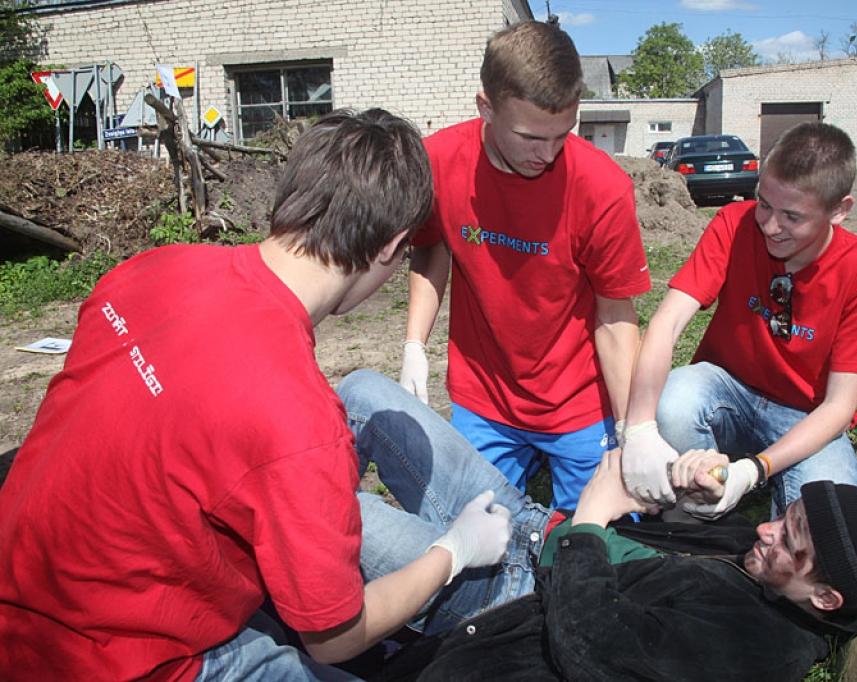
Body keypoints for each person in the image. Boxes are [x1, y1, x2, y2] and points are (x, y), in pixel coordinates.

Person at [0, 109, 513, 680]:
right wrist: (454, 552)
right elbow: (337, 636)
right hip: (124, 659)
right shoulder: (298, 420)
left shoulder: (146, 268)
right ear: (392, 247)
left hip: (20, 599)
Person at [337, 370, 857, 682]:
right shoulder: (764, 566)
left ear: (825, 598)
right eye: (781, 519)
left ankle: (310, 590)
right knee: (365, 389)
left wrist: (590, 517)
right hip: (529, 524)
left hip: (498, 590)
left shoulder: (761, 646)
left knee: (336, 518)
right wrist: (684, 500)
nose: (765, 532)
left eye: (791, 543)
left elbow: (598, 654)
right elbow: (667, 547)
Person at [399, 20, 651, 510]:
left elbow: (616, 317)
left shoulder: (601, 188)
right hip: (484, 397)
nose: (548, 153)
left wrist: (631, 429)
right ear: (486, 108)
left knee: (600, 544)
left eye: (563, 134)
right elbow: (431, 248)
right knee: (461, 531)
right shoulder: (439, 162)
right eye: (531, 137)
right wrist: (414, 344)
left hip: (578, 400)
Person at [621, 122, 857, 519]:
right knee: (673, 400)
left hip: (807, 415)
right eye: (764, 204)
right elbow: (665, 324)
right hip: (728, 391)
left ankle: (736, 481)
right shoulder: (734, 224)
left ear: (840, 210)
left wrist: (754, 470)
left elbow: (839, 407)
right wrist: (639, 430)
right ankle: (696, 503)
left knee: (827, 520)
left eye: (792, 216)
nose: (770, 225)